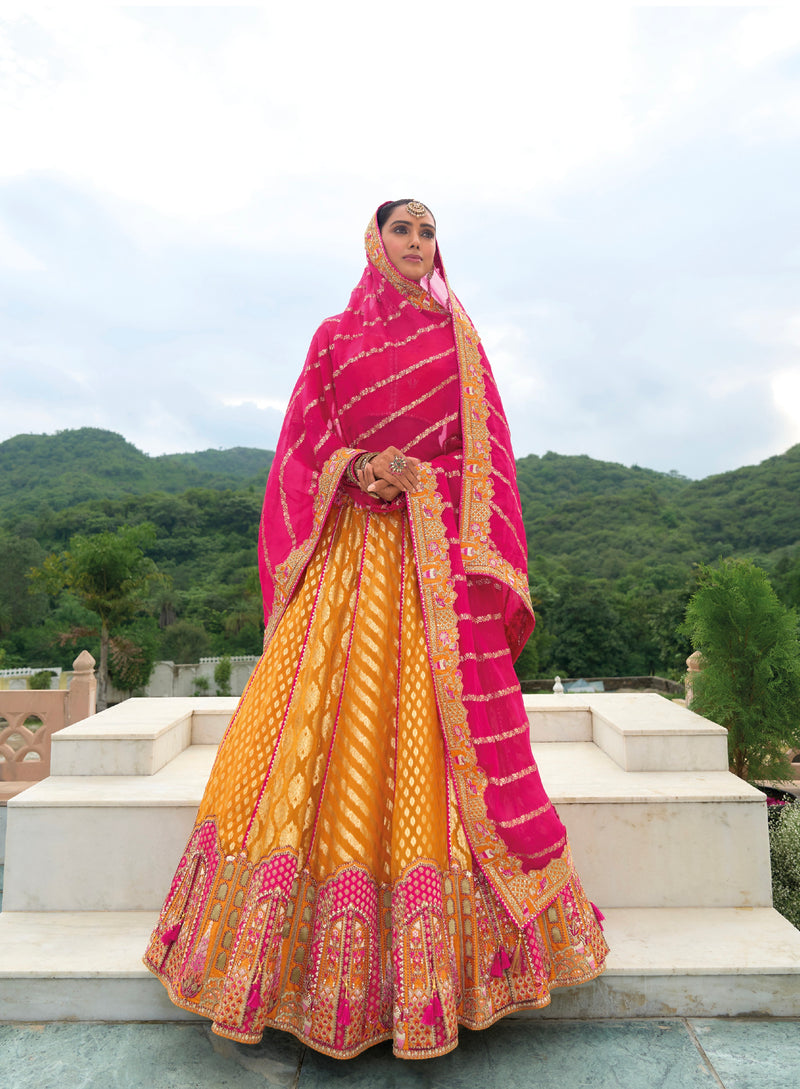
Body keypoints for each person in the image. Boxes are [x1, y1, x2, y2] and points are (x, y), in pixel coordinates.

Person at [144, 199, 608, 1060]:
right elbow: (302, 445)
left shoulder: (457, 340)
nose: (417, 243)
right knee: (311, 732)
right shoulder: (334, 338)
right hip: (346, 560)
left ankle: (445, 975)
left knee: (434, 739)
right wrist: (359, 466)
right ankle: (286, 968)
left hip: (431, 568)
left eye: (428, 233)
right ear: (374, 241)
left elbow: (485, 456)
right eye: (403, 229)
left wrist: (419, 475)